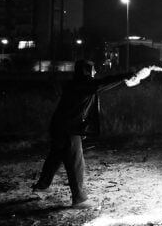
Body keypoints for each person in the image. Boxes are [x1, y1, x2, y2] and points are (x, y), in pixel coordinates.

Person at [32, 60, 150, 208]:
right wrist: (127, 75)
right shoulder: (83, 85)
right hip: (67, 129)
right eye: (93, 69)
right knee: (76, 163)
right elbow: (103, 83)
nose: (95, 72)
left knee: (56, 156)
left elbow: (98, 87)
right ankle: (80, 199)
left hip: (60, 127)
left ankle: (42, 186)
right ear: (86, 71)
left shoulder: (77, 84)